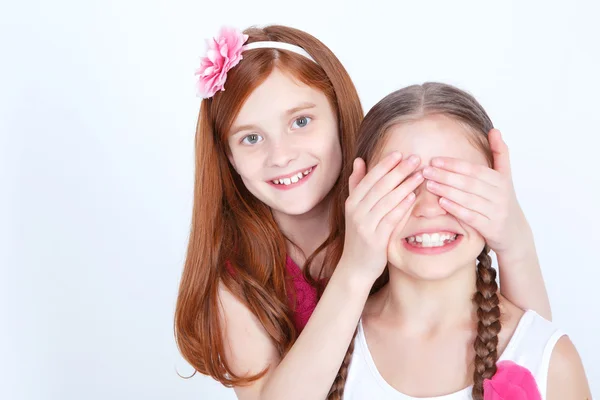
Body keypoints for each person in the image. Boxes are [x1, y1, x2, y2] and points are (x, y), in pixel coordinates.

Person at [175, 25, 551, 400]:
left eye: (301, 121)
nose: (282, 156)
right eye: (251, 138)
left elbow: (535, 361)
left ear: (340, 116)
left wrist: (514, 241)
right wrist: (356, 269)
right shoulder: (236, 283)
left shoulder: (402, 215)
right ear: (228, 156)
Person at [338, 82, 591, 399]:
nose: (428, 208)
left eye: (453, 184)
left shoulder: (552, 361)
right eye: (401, 185)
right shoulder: (325, 350)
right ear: (359, 193)